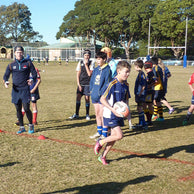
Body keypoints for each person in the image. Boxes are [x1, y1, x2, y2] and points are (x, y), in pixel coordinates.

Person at [94, 60, 131, 165]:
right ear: (118, 71)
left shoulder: (125, 85)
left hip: (119, 114)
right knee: (119, 135)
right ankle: (100, 141)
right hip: (110, 114)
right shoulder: (112, 83)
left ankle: (103, 156)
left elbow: (126, 101)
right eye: (126, 72)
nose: (127, 74)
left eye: (129, 72)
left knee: (114, 138)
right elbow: (102, 99)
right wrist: (112, 109)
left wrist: (128, 114)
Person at [3, 46, 37, 134]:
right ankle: (22, 127)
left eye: (21, 52)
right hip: (16, 90)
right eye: (18, 52)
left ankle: (30, 125)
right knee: (18, 109)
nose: (19, 54)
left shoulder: (28, 63)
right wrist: (6, 81)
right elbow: (6, 75)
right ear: (14, 53)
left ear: (23, 53)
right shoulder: (11, 65)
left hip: (25, 89)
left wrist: (32, 79)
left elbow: (34, 73)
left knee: (26, 108)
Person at [89, 51, 112, 139]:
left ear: (104, 59)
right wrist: (92, 90)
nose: (97, 61)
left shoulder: (107, 70)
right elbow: (92, 81)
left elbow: (107, 83)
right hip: (94, 95)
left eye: (99, 59)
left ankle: (105, 133)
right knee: (97, 114)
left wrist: (102, 94)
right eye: (97, 59)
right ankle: (99, 131)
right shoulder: (96, 69)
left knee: (103, 115)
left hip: (102, 96)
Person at [69, 50, 95, 120]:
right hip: (81, 83)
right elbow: (78, 74)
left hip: (88, 84)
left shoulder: (91, 63)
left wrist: (86, 65)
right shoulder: (80, 62)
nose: (87, 57)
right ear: (83, 56)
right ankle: (76, 114)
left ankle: (87, 114)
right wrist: (78, 84)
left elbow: (89, 74)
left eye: (88, 55)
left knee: (87, 99)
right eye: (85, 55)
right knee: (78, 98)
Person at [133, 60, 147, 130]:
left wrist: (139, 93)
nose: (134, 68)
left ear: (137, 66)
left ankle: (143, 124)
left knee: (140, 108)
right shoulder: (140, 74)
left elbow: (143, 86)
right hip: (139, 94)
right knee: (139, 108)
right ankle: (141, 123)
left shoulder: (141, 74)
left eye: (135, 66)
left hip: (141, 95)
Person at [151, 56, 165, 121]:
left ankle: (155, 115)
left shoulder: (155, 68)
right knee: (158, 101)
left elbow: (156, 78)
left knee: (155, 101)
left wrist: (151, 82)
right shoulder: (158, 67)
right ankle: (161, 117)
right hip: (160, 87)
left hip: (157, 87)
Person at [144, 61, 155, 126]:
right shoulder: (150, 73)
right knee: (148, 105)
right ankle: (149, 120)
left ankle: (149, 120)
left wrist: (149, 86)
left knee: (147, 105)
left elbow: (155, 81)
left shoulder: (150, 73)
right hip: (150, 91)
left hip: (149, 92)